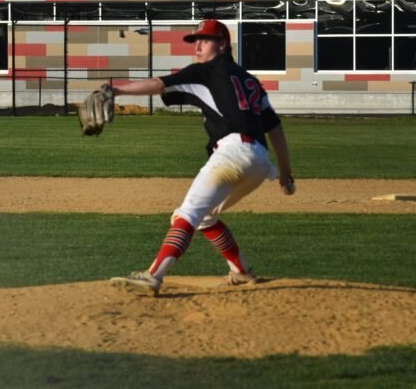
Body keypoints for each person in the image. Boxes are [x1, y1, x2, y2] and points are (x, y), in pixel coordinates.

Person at [107, 19, 295, 297]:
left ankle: (153, 276)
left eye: (205, 40)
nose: (197, 46)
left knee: (186, 214)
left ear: (223, 45)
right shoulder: (250, 81)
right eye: (196, 41)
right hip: (259, 161)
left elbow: (158, 84)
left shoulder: (205, 71)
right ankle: (241, 271)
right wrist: (285, 174)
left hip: (232, 152)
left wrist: (117, 91)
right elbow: (275, 128)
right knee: (206, 217)